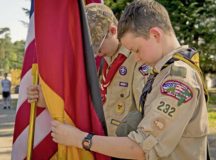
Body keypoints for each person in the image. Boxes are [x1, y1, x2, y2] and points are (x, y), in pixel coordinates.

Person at [28, 1, 208, 159]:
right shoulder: (160, 70)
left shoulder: (177, 79)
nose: (136, 58)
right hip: (116, 148)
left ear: (155, 35)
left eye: (137, 50)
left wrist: (80, 139)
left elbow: (142, 147)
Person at [28, 3, 149, 138]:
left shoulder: (139, 60)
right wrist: (45, 98)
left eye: (98, 45)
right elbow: (87, 101)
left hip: (126, 148)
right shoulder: (103, 64)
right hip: (104, 146)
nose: (96, 53)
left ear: (113, 31)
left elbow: (146, 115)